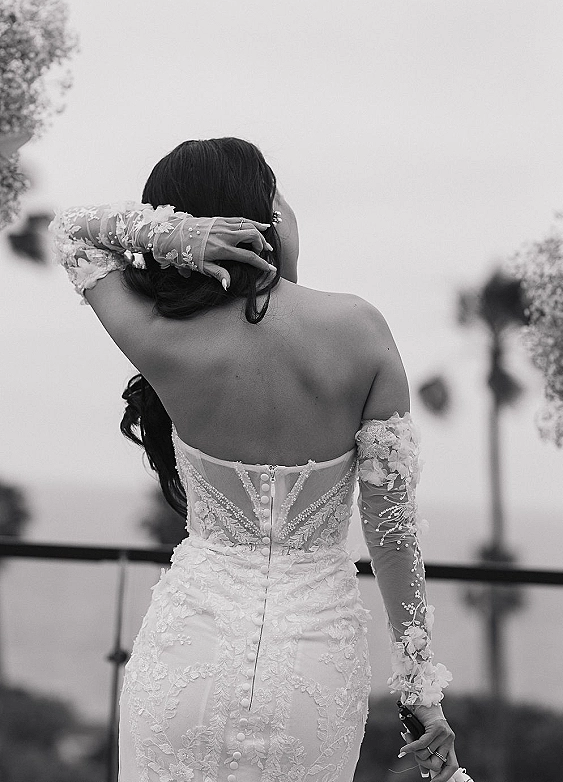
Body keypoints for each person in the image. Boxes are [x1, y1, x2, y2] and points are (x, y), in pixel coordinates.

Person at [51, 137, 459, 782]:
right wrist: (418, 686)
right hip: (315, 669)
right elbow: (393, 534)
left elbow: (71, 231)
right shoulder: (359, 331)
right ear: (267, 213)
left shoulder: (161, 338)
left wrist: (176, 238)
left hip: (187, 655)